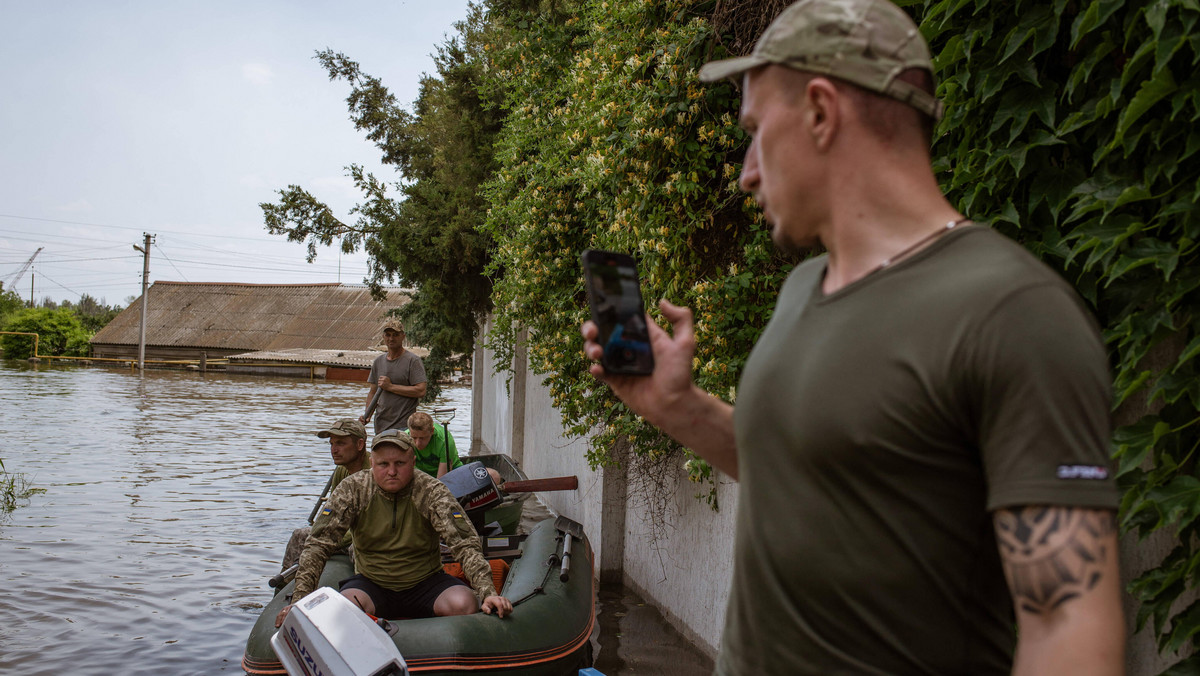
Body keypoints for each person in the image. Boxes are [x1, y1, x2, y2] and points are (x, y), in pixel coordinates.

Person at [581, 0, 1124, 673]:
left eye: (755, 131)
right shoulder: (804, 288)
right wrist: (679, 408)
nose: (747, 170)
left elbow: (1068, 625)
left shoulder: (1012, 312)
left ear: (819, 111)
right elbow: (819, 474)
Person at [275, 429, 512, 627]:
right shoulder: (352, 490)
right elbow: (318, 545)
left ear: (413, 462)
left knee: (465, 603)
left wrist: (487, 592)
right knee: (344, 610)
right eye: (383, 464)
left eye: (399, 463)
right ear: (371, 463)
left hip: (425, 581)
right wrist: (300, 600)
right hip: (372, 582)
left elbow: (465, 544)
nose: (391, 471)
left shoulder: (431, 491)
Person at [280, 418, 372, 570]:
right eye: (332, 444)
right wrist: (318, 533)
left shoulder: (374, 473)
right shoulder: (342, 470)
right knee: (300, 535)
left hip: (364, 535)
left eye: (341, 443)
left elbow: (369, 525)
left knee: (358, 548)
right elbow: (330, 511)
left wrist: (329, 540)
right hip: (342, 533)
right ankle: (285, 587)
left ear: (360, 445)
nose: (334, 450)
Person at [362, 317, 427, 433]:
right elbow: (373, 392)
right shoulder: (378, 362)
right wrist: (367, 414)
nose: (391, 338)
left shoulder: (413, 361)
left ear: (403, 336)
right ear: (383, 337)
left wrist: (390, 387)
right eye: (388, 335)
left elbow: (421, 391)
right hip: (381, 425)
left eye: (395, 335)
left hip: (404, 426)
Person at [406, 411, 464, 478]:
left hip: (451, 471)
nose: (417, 443)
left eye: (422, 438)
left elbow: (442, 482)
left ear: (432, 431)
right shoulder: (405, 439)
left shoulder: (444, 440)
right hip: (421, 473)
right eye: (414, 438)